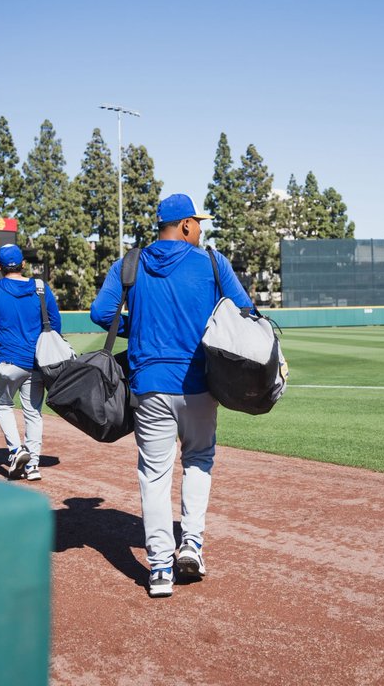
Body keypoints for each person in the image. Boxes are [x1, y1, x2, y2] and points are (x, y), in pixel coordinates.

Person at [90, 193, 251, 598]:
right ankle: (191, 545)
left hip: (149, 385)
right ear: (185, 225)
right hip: (199, 384)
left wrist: (139, 326)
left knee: (154, 475)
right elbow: (244, 311)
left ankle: (160, 568)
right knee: (198, 460)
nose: (200, 231)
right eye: (198, 224)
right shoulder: (212, 262)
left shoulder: (129, 262)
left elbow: (100, 312)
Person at [0, 243, 62, 482]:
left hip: (8, 362)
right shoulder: (41, 288)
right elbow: (56, 324)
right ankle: (33, 466)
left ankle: (15, 450)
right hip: (37, 363)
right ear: (23, 264)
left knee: (2, 405)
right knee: (33, 413)